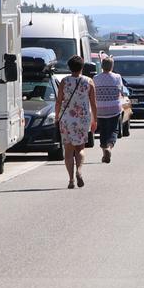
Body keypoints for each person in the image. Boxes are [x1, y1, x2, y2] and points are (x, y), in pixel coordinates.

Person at [55, 55, 97, 188]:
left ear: (69, 67)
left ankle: (71, 180)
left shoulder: (64, 81)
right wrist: (95, 119)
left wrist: (57, 116)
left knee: (68, 151)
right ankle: (79, 171)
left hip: (67, 119)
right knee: (80, 148)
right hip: (82, 118)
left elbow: (59, 101)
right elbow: (93, 103)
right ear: (82, 67)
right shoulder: (89, 81)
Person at [93, 56, 125, 162]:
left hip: (100, 108)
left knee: (103, 131)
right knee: (113, 130)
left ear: (102, 66)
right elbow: (122, 91)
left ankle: (104, 152)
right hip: (114, 108)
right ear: (112, 66)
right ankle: (109, 148)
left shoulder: (96, 78)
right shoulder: (117, 77)